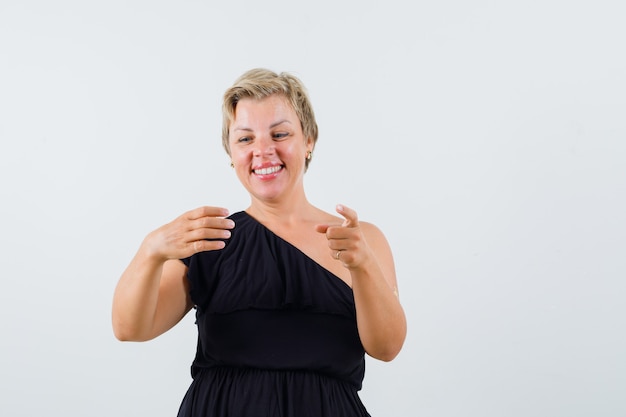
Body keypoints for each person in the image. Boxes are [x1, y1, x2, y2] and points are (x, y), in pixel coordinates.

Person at [112, 68, 407, 416]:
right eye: (245, 139)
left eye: (279, 134)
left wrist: (363, 265)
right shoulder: (210, 240)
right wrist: (151, 251)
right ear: (231, 152)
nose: (263, 150)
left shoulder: (361, 240)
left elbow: (387, 348)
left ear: (308, 140)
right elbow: (130, 328)